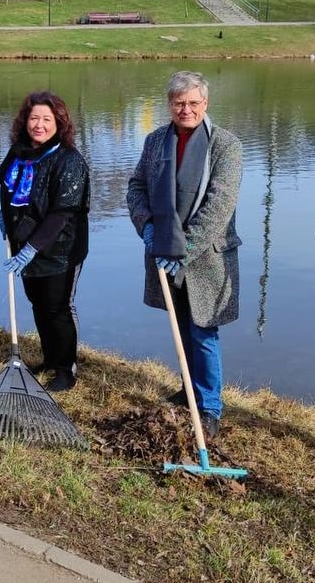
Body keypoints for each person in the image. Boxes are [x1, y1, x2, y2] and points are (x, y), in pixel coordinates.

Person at [127, 71, 242, 440]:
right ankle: (188, 389)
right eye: (179, 103)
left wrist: (184, 250)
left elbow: (219, 206)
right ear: (169, 105)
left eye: (193, 102)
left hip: (206, 257)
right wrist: (146, 225)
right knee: (180, 325)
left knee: (203, 330)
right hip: (161, 250)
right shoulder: (155, 141)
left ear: (205, 104)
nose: (186, 109)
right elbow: (136, 187)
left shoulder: (226, 145)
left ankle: (209, 408)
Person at [0, 91, 90, 393]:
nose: (39, 124)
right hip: (23, 244)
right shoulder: (19, 152)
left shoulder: (69, 160)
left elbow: (62, 212)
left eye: (47, 119)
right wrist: (4, 217)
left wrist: (32, 249)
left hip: (60, 247)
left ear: (58, 123)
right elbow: (5, 187)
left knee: (57, 306)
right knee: (38, 303)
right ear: (25, 121)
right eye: (34, 118)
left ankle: (66, 368)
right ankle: (49, 359)